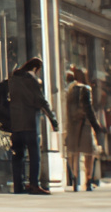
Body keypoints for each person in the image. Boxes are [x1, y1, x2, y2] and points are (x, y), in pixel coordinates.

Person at [8, 57, 58, 195]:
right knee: (34, 154)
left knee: (18, 155)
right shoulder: (31, 80)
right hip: (29, 122)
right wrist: (53, 119)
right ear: (35, 68)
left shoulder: (13, 80)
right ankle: (34, 185)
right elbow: (40, 100)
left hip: (16, 123)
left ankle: (18, 186)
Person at [64, 68, 104, 192]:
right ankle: (88, 181)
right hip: (85, 125)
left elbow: (68, 108)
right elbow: (88, 108)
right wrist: (96, 125)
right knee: (90, 153)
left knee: (74, 152)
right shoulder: (86, 89)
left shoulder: (70, 90)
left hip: (73, 125)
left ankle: (75, 178)